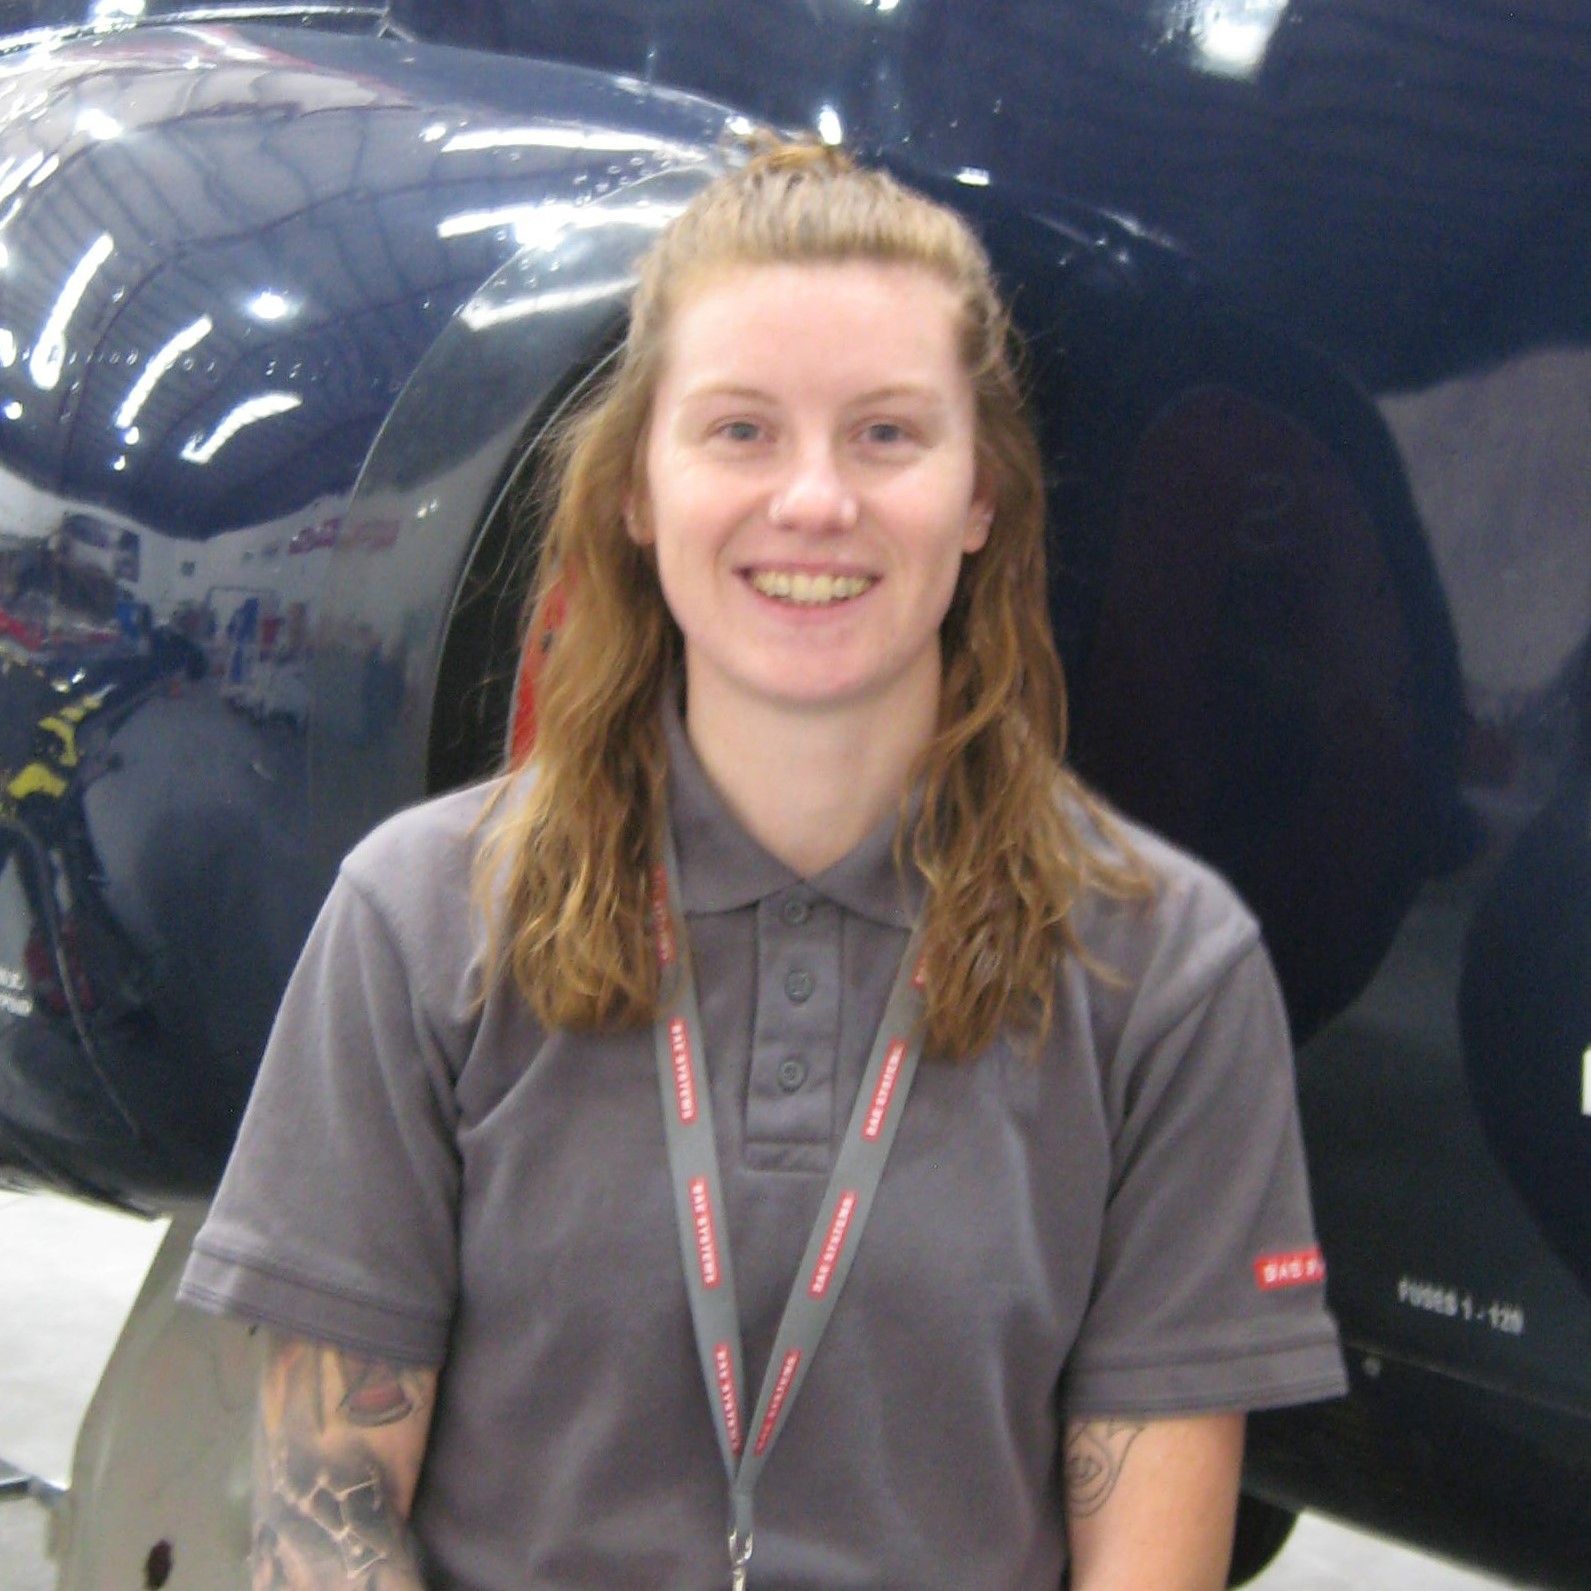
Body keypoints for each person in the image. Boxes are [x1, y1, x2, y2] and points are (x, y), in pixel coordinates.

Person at [179, 141, 1346, 1590]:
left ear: (981, 496)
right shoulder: (418, 920)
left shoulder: (1164, 965)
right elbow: (322, 1525)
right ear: (635, 491)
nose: (814, 501)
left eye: (886, 436)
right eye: (739, 431)